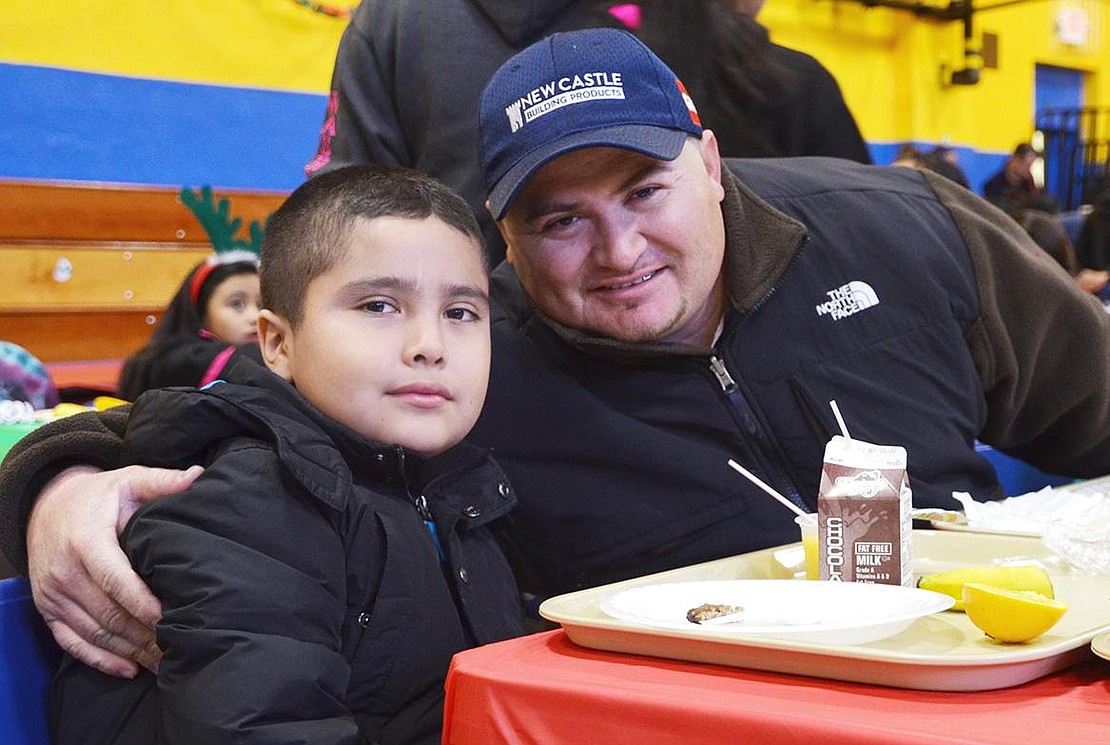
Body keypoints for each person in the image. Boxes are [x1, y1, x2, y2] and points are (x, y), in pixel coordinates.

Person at [5, 28, 1110, 678]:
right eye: (558, 218)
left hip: (993, 691)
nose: (619, 251)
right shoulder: (470, 353)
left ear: (712, 162)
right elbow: (244, 403)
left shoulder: (906, 231)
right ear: (504, 233)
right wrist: (61, 480)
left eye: (644, 190)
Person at [49, 164, 522, 744]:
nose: (430, 346)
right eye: (378, 306)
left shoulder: (454, 490)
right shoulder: (249, 504)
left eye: (460, 313)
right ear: (277, 343)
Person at [305, 0, 870, 264]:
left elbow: (348, 212)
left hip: (479, 355)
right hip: (684, 361)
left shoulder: (392, 19)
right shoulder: (742, 51)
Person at [116, 253, 261, 401]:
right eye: (237, 304)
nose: (255, 317)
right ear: (200, 311)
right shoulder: (176, 360)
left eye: (262, 305)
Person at [982, 143, 1043, 208]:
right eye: (1027, 165)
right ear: (1015, 160)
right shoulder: (993, 186)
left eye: (1031, 166)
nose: (1029, 169)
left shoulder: (1029, 184)